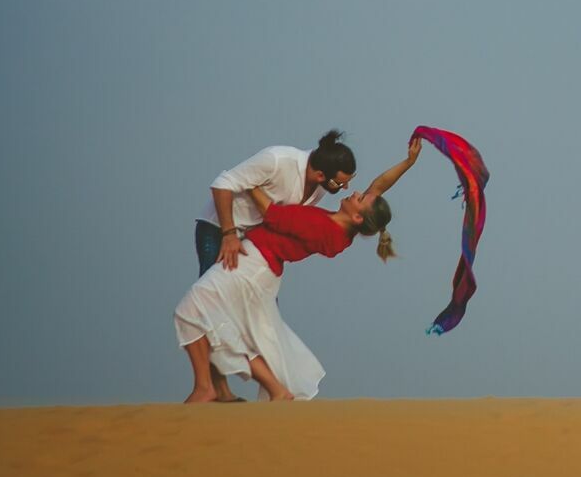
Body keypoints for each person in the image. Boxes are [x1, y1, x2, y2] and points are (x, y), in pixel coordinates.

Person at [174, 136, 422, 404]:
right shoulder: (339, 229)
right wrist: (408, 162)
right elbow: (378, 188)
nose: (350, 190)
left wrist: (250, 181)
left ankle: (219, 388)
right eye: (342, 183)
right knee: (240, 326)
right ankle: (249, 389)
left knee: (203, 313)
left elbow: (270, 213)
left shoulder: (321, 225)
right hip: (255, 259)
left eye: (357, 195)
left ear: (358, 216)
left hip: (253, 261)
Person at [196, 129, 358, 277]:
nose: (345, 188)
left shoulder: (321, 188)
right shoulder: (277, 159)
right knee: (213, 295)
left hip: (251, 241)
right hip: (219, 229)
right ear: (320, 175)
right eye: (339, 183)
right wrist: (229, 234)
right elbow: (222, 184)